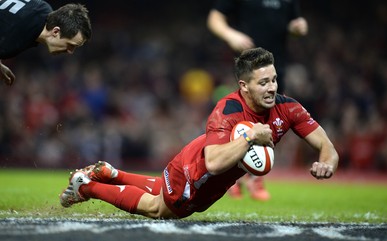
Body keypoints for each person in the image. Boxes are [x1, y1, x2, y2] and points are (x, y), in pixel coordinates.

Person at [60, 47, 339, 219]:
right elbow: (214, 163)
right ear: (244, 86)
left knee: (161, 191)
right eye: (263, 82)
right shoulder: (227, 110)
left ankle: (111, 174)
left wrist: (326, 163)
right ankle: (85, 186)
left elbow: (327, 147)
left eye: (274, 80)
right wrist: (251, 137)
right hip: (196, 171)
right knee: (160, 209)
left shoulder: (288, 108)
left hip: (209, 177)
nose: (272, 88)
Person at [207, 0, 308, 200]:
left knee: (270, 120)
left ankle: (254, 176)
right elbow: (214, 18)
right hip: (246, 69)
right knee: (237, 118)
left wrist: (299, 27)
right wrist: (230, 34)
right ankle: (231, 176)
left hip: (275, 68)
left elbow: (296, 23)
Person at [0, 0, 92, 86]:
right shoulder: (11, 42)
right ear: (55, 31)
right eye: (71, 45)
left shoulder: (43, 7)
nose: (70, 51)